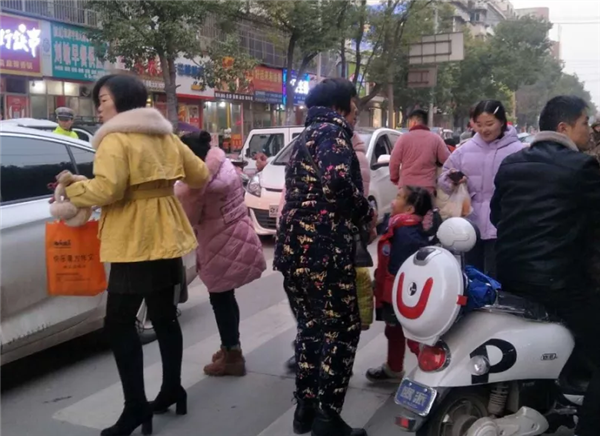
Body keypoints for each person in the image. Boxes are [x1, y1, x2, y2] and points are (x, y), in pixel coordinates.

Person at [56, 74, 209, 436]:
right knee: (165, 317)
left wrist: (74, 189)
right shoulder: (165, 136)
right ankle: (172, 389)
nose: (99, 108)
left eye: (103, 100)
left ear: (122, 101)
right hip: (167, 235)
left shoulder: (115, 138)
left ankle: (136, 407)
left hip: (134, 240)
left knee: (119, 324)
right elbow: (200, 175)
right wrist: (160, 187)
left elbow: (108, 190)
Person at [491, 95, 600, 436]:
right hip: (559, 282)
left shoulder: (511, 164)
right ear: (564, 127)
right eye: (585, 124)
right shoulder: (582, 168)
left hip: (509, 277)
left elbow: (496, 216)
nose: (589, 131)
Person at [275, 78, 374, 436]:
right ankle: (327, 418)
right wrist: (366, 212)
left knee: (311, 327)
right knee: (342, 329)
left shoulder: (306, 135)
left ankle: (306, 409)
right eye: (354, 106)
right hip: (324, 249)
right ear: (339, 106)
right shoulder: (332, 134)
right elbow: (337, 183)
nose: (355, 114)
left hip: (294, 249)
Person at [175, 131, 266, 377]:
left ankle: (232, 354)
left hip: (217, 244)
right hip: (236, 234)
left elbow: (188, 218)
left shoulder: (197, 187)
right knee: (227, 296)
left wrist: (179, 189)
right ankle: (230, 347)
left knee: (220, 300)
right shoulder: (224, 166)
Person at [439, 100, 523, 277]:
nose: (484, 129)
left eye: (489, 124)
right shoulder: (464, 150)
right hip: (470, 225)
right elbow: (443, 179)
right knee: (472, 276)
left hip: (503, 227)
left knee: (497, 277)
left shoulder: (518, 151)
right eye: (479, 124)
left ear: (502, 121)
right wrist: (452, 179)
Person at [367, 186, 438, 383]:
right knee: (394, 331)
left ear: (409, 209)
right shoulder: (399, 226)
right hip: (392, 290)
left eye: (398, 197)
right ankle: (394, 368)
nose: (393, 200)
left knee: (412, 336)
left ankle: (433, 374)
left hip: (401, 294)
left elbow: (406, 269)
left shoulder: (408, 235)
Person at [390, 109, 450, 194]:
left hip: (406, 187)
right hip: (427, 188)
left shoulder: (403, 139)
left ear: (414, 122)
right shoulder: (436, 139)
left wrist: (395, 178)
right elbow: (447, 160)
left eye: (409, 122)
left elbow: (394, 161)